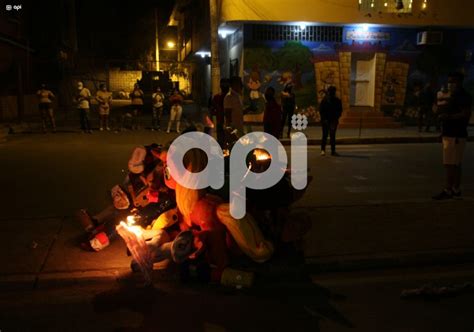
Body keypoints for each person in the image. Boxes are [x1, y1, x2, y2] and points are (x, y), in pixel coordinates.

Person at [433, 72, 472, 200]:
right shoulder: (452, 96)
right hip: (450, 133)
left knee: (450, 164)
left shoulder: (463, 96)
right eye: (449, 81)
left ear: (460, 82)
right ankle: (455, 188)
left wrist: (448, 117)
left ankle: (448, 189)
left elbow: (465, 114)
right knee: (455, 163)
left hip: (456, 134)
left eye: (453, 81)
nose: (450, 84)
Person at [319, 86, 342, 156]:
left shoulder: (326, 100)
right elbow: (339, 111)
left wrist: (325, 119)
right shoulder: (327, 100)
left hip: (330, 121)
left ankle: (324, 150)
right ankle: (331, 150)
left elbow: (321, 110)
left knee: (326, 136)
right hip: (330, 121)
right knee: (331, 136)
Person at [210, 78, 230, 145]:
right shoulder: (218, 97)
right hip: (223, 121)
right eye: (223, 84)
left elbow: (212, 110)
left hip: (224, 121)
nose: (224, 86)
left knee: (223, 140)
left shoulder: (217, 97)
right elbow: (212, 109)